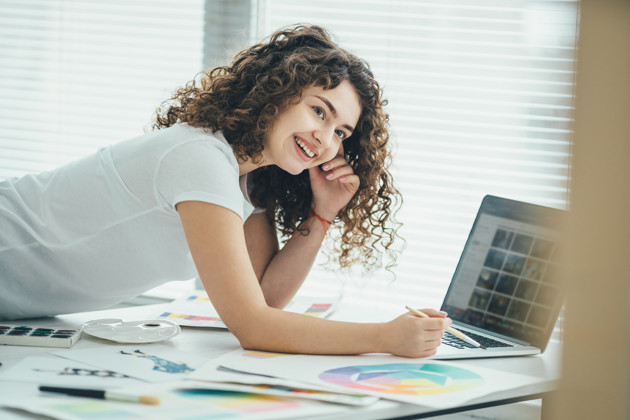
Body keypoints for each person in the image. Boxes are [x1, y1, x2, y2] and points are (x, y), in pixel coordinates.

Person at [0, 25, 450, 358]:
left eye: (341, 132)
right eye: (319, 110)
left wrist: (322, 214)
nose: (326, 139)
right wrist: (384, 338)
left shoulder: (247, 179)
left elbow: (265, 298)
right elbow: (254, 326)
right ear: (278, 91)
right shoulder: (199, 157)